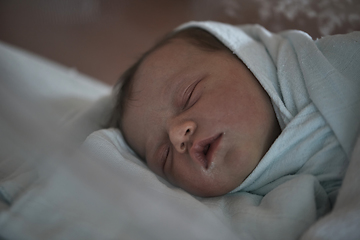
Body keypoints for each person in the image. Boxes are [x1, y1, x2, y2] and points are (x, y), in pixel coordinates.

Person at [107, 21, 360, 202]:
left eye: (190, 95)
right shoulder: (278, 207)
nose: (176, 135)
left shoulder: (340, 66)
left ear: (246, 57)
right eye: (163, 157)